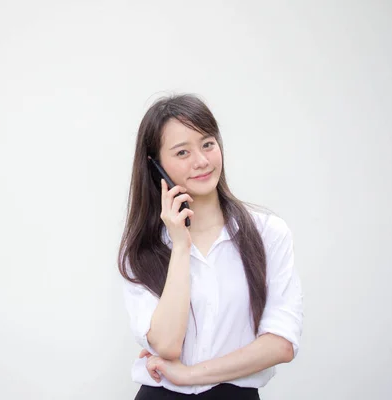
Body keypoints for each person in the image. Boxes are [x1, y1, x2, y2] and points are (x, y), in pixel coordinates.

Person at [118, 94, 303, 399]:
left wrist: (190, 375)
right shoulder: (141, 250)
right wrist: (180, 245)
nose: (201, 161)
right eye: (182, 152)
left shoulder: (267, 233)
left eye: (208, 144)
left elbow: (281, 343)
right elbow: (166, 344)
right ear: (156, 166)